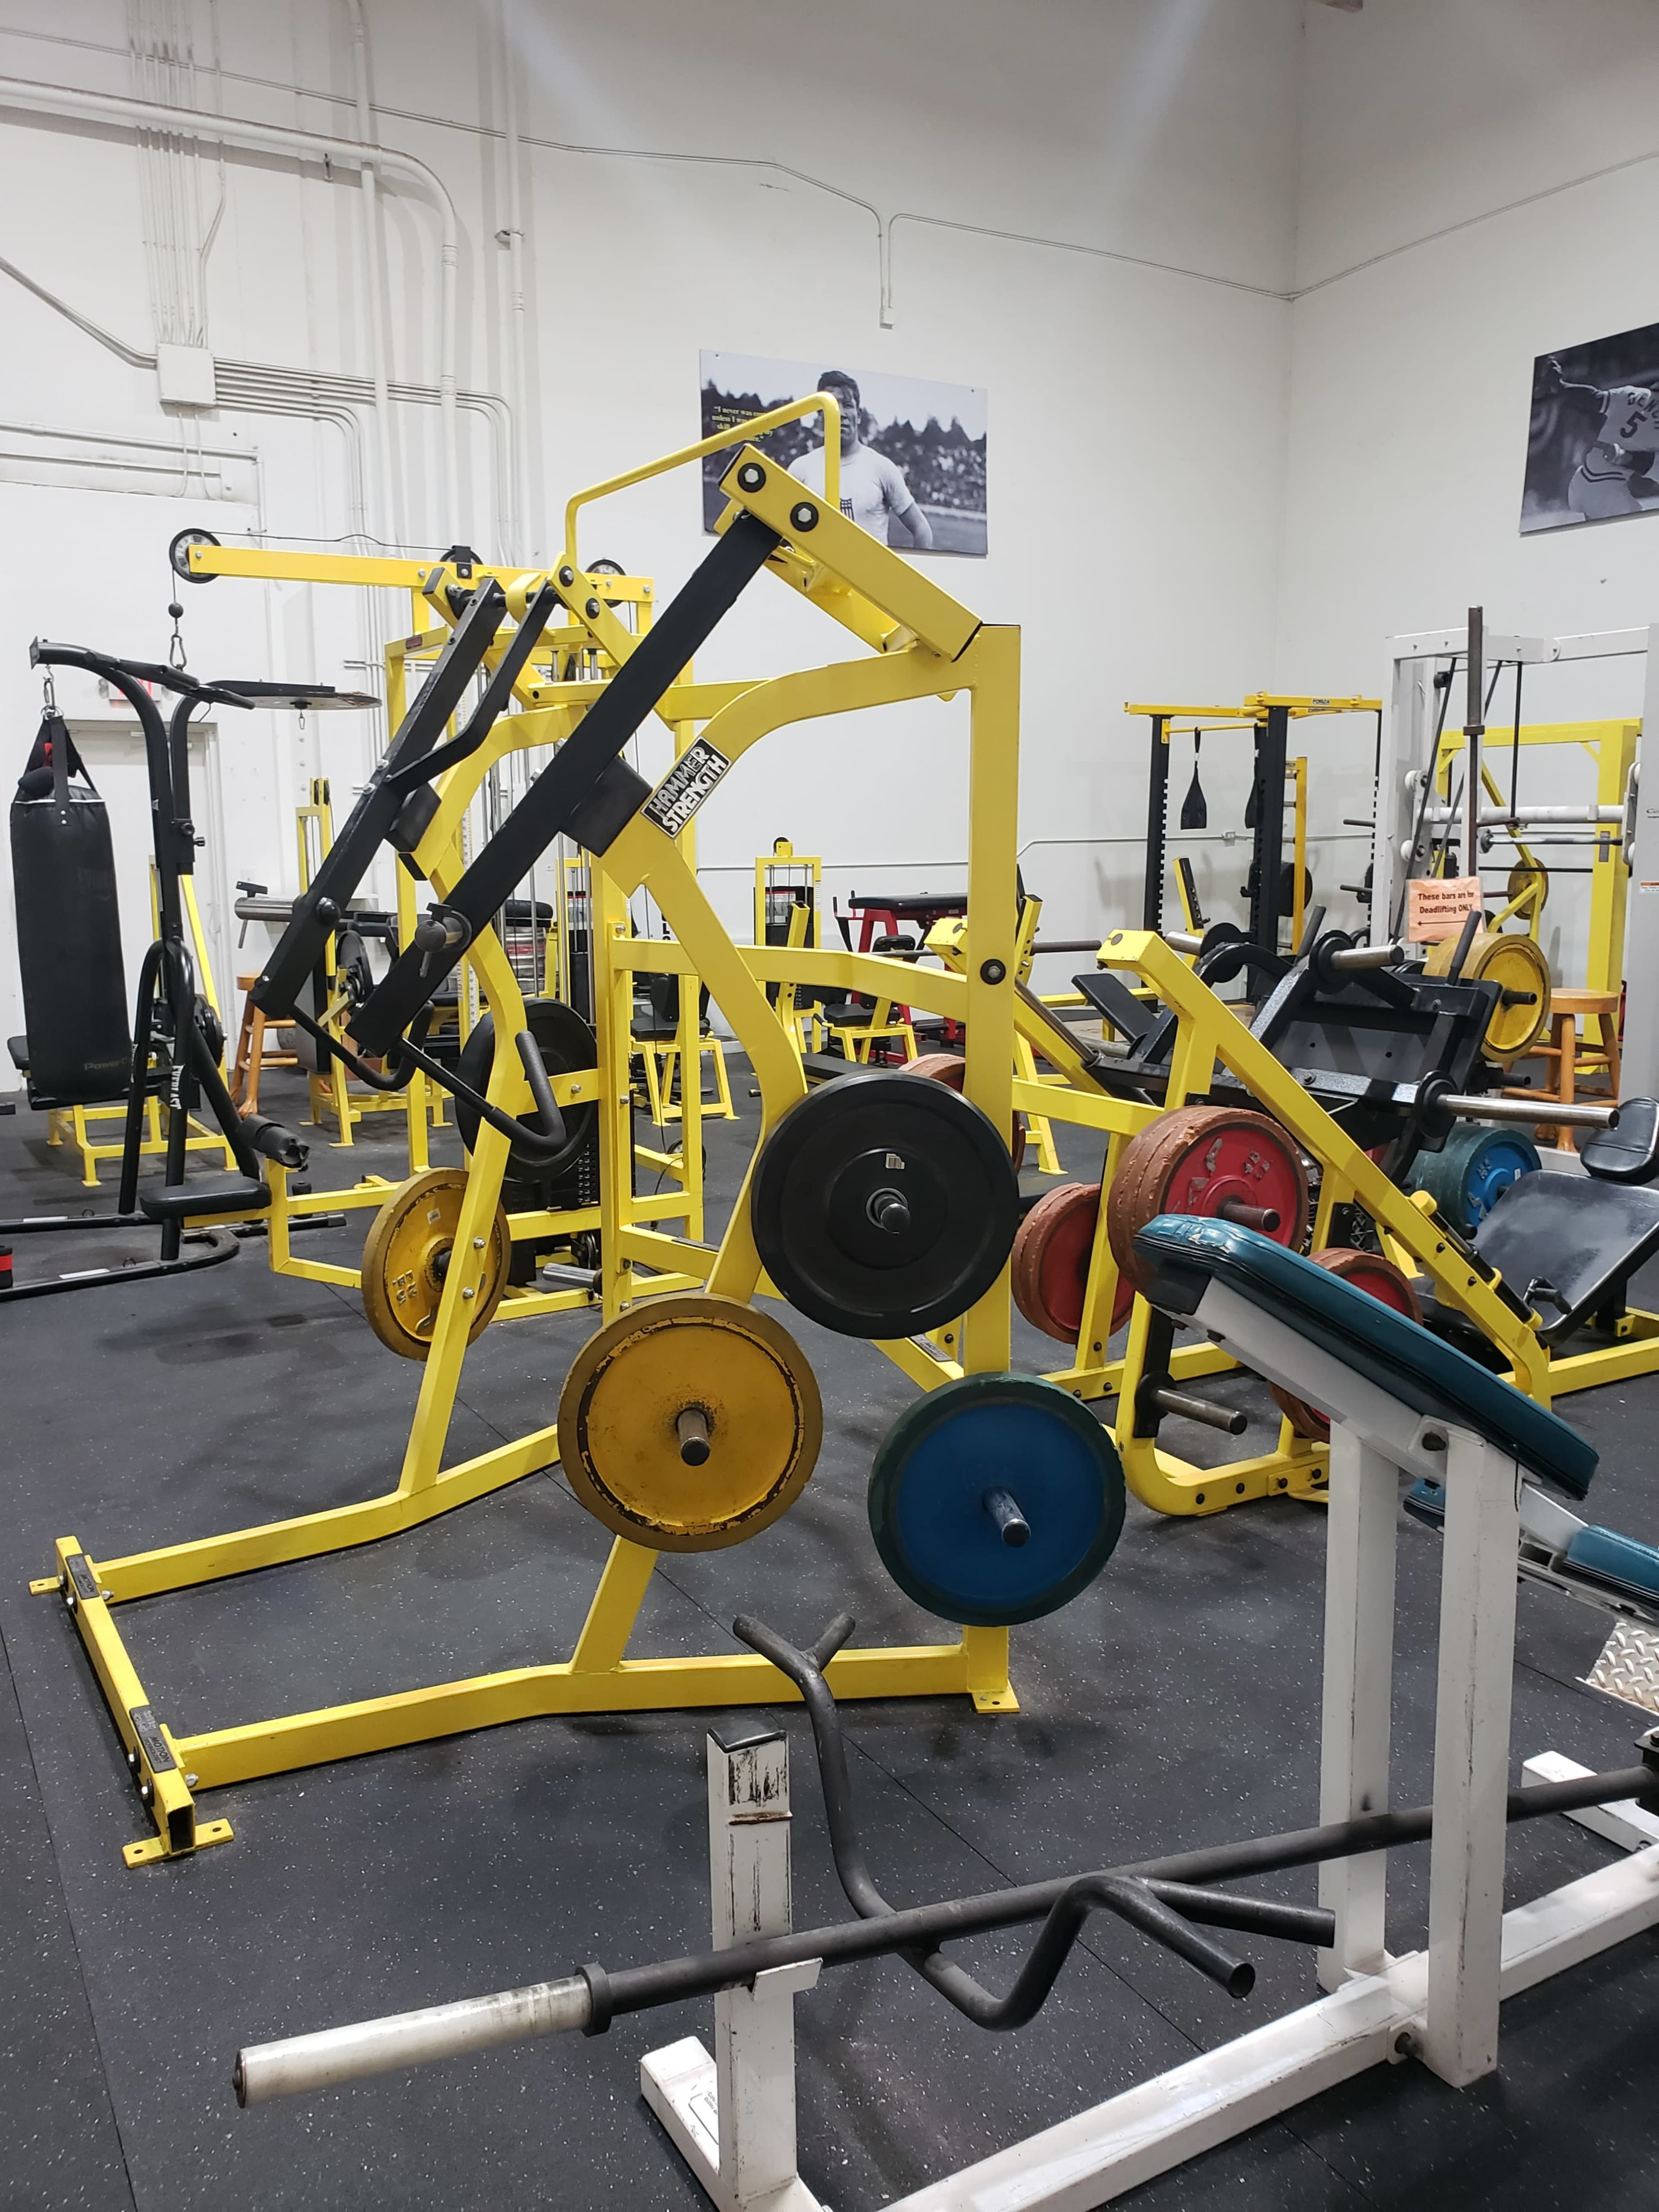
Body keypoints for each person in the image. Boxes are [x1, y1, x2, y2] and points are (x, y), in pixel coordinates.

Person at [787, 369, 934, 549]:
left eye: (848, 405)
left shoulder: (881, 467)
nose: (841, 413)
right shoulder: (801, 469)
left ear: (859, 415)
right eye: (832, 404)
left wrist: (915, 567)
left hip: (869, 568)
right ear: (820, 414)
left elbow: (921, 529)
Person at [1538, 356, 1659, 521]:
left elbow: (1594, 398)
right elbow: (1642, 463)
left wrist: (1561, 386)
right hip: (1607, 492)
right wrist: (1624, 457)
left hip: (1582, 480)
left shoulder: (1633, 393)